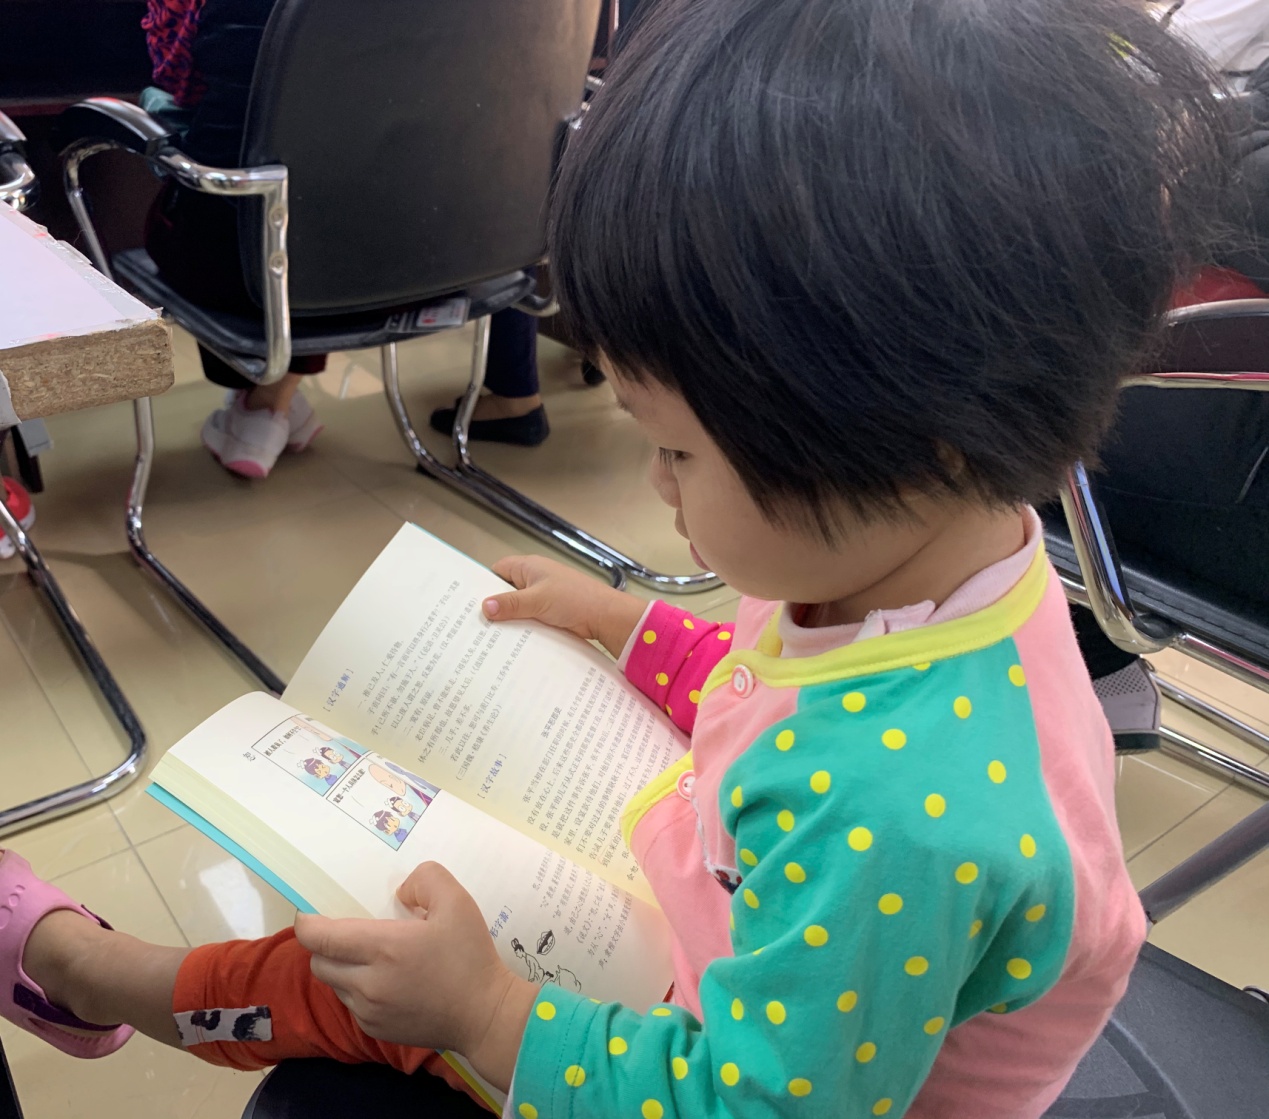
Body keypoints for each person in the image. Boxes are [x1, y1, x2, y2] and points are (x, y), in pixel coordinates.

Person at [0, 0, 1229, 1115]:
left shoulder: (905, 819)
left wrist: (487, 1014)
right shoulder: (939, 563)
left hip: (726, 1058)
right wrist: (627, 625)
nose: (655, 486)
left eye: (679, 450)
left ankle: (96, 978)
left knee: (353, 980)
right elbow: (775, 682)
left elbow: (755, 1109)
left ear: (919, 432)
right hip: (740, 941)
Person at [141, 0, 546, 479]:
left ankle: (265, 406)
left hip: (258, 269)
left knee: (253, 189)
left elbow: (180, 82)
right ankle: (270, 406)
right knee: (330, 173)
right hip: (447, 257)